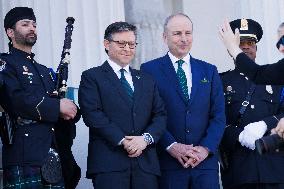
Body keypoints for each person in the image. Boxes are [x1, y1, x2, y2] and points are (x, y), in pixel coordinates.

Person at [141, 13, 226, 189]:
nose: (184, 39)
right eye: (177, 33)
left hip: (204, 165)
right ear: (165, 37)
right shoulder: (149, 70)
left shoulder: (209, 71)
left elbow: (218, 116)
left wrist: (205, 149)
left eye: (188, 33)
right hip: (168, 164)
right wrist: (171, 145)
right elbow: (147, 113)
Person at [78, 21, 166, 189]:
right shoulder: (91, 77)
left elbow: (160, 115)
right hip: (109, 165)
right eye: (121, 43)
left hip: (145, 165)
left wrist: (145, 139)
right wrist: (123, 141)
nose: (127, 48)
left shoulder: (146, 79)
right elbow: (92, 114)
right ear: (106, 44)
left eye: (132, 44)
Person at [0, 7, 78, 188]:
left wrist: (71, 108)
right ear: (10, 32)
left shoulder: (45, 72)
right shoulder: (6, 64)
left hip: (53, 155)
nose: (32, 28)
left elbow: (59, 105)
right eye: (25, 24)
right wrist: (57, 107)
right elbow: (14, 100)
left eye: (34, 24)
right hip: (24, 156)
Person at [220, 18, 284, 189]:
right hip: (240, 171)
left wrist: (266, 124)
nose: (246, 46)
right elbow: (214, 120)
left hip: (274, 169)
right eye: (240, 43)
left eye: (250, 42)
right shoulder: (219, 82)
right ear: (230, 49)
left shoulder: (276, 79)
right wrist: (237, 135)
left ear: (256, 47)